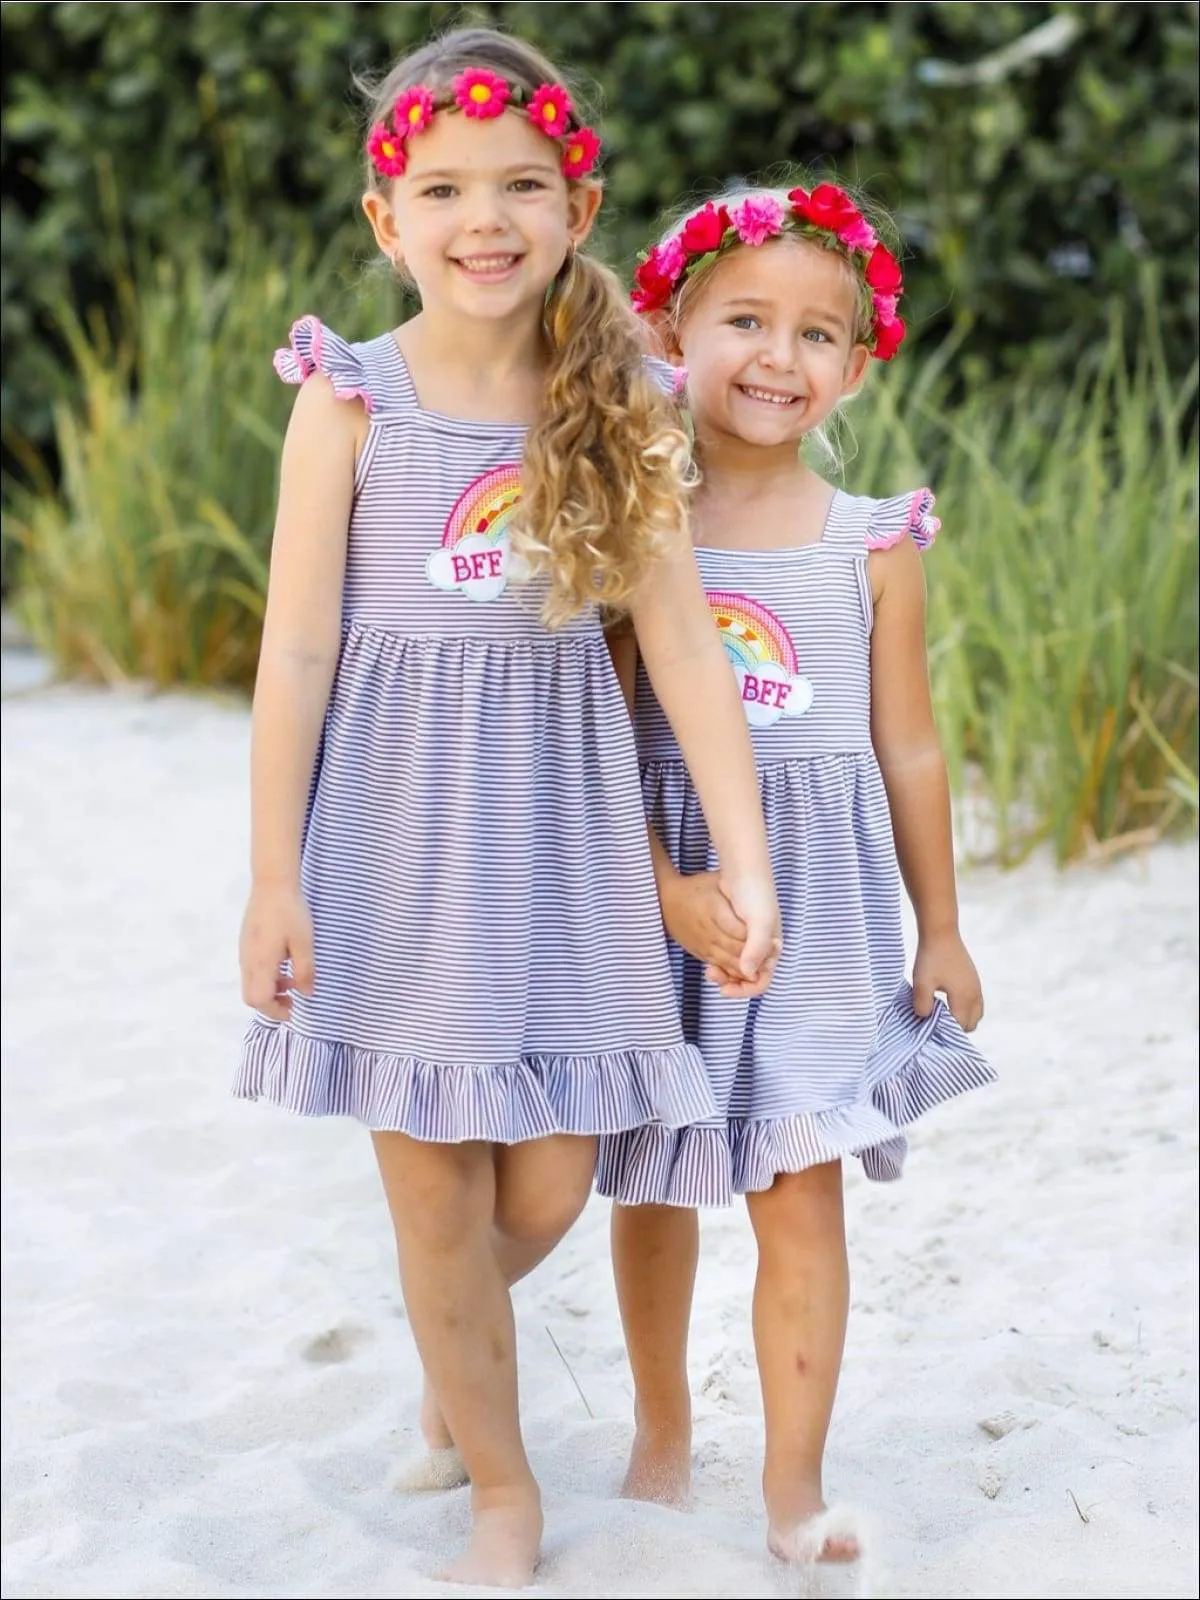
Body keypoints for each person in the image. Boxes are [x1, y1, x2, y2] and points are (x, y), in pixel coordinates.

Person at [233, 29, 780, 1591]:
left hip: (565, 837)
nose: (485, 218)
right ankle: (505, 1491)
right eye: (444, 188)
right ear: (384, 217)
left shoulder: (618, 402)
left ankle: (443, 1342)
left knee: (543, 1178)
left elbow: (679, 645)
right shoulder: (351, 402)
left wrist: (741, 860)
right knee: (430, 1181)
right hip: (395, 843)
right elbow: (297, 649)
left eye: (522, 186)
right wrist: (273, 879)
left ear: (576, 206)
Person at [598, 180, 996, 1566]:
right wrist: (664, 887)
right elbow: (592, 736)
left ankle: (790, 1487)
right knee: (653, 1179)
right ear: (670, 325)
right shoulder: (634, 522)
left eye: (818, 334)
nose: (779, 357)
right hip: (667, 904)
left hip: (820, 916)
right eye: (746, 321)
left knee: (800, 1187)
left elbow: (912, 750)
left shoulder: (872, 542)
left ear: (859, 363)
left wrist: (940, 929)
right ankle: (658, 1433)